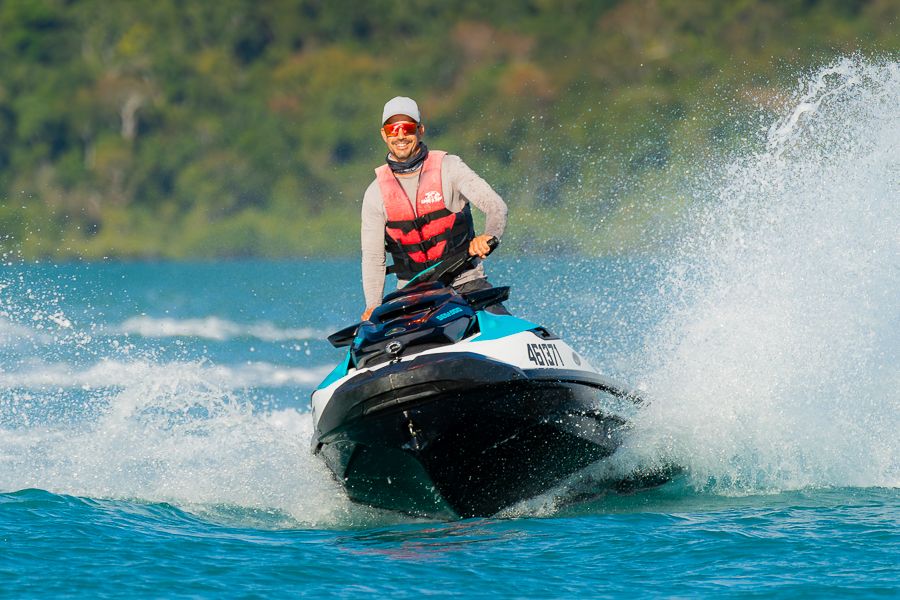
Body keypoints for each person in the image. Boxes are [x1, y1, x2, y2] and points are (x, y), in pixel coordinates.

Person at [360, 96, 509, 320]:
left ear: (420, 130)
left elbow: (496, 206)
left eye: (407, 128)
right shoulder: (375, 193)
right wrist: (373, 305)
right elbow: (373, 257)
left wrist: (489, 235)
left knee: (499, 323)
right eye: (393, 129)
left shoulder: (449, 168)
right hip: (412, 297)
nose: (400, 136)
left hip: (466, 285)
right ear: (384, 134)